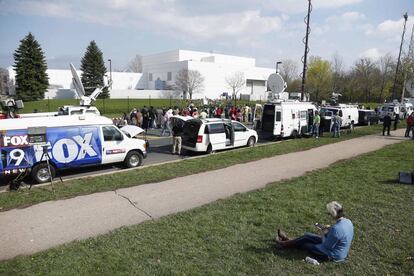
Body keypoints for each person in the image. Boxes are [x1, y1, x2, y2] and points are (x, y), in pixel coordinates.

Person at [276, 201, 354, 263]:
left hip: (331, 255)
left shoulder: (336, 229)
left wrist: (323, 233)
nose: (328, 215)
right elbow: (340, 232)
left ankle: (284, 243)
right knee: (307, 236)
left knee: (305, 244)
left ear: (332, 214)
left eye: (328, 214)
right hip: (338, 249)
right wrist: (330, 228)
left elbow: (326, 245)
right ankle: (287, 241)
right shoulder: (348, 221)